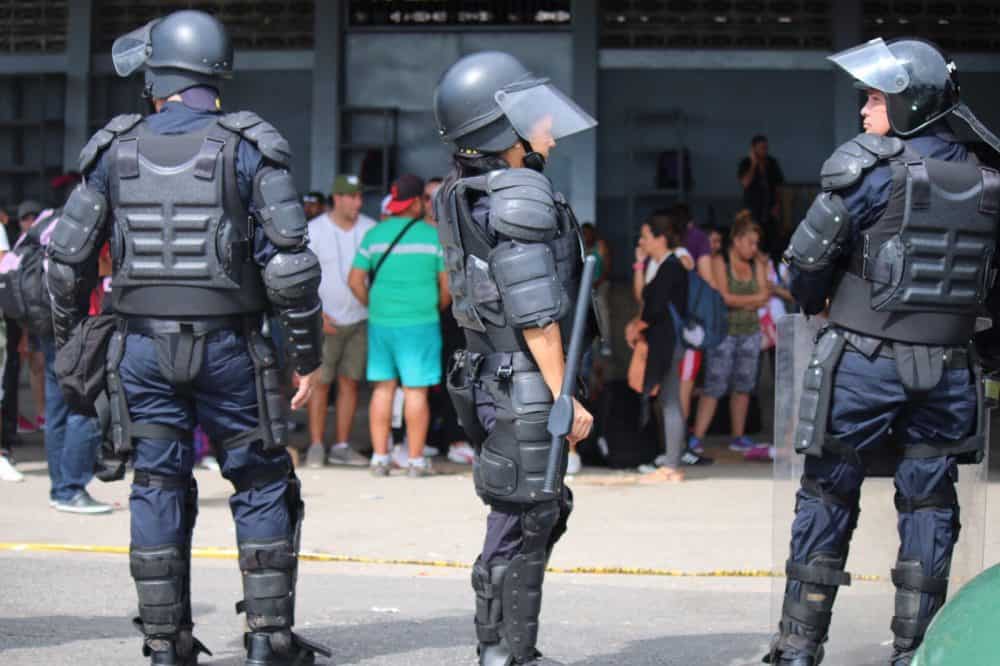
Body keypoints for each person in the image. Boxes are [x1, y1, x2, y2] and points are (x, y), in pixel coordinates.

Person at [47, 11, 329, 664]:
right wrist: (306, 358)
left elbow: (66, 265)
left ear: (156, 74)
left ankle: (164, 644)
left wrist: (71, 346)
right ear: (216, 73)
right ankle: (268, 640)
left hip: (141, 351)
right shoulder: (250, 145)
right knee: (260, 481)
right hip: (232, 349)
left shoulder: (112, 148)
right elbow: (289, 268)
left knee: (157, 483)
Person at [766, 38, 1000, 666]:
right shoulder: (988, 181)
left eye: (875, 96)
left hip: (864, 361)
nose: (866, 108)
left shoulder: (871, 168)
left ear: (908, 103)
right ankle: (915, 652)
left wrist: (823, 302)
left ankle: (798, 648)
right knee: (930, 503)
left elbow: (805, 265)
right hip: (949, 371)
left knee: (827, 494)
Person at [433, 51, 597, 665]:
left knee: (527, 511)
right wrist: (563, 396)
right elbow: (536, 316)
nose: (549, 129)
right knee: (524, 518)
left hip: (490, 375)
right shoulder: (518, 196)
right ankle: (504, 653)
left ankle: (506, 649)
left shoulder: (463, 193)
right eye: (535, 118)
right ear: (498, 132)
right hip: (526, 379)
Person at [348, 173, 450, 478]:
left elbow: (354, 281)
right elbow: (448, 287)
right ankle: (416, 461)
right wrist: (434, 306)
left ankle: (380, 458)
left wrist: (374, 304)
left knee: (383, 389)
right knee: (416, 391)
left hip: (382, 323)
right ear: (418, 202)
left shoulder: (374, 235)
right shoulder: (433, 237)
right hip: (421, 323)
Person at [303, 174, 374, 469]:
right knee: (319, 384)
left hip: (360, 319)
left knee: (350, 382)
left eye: (359, 197)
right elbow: (301, 277)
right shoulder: (314, 230)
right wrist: (315, 314)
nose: (357, 202)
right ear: (337, 198)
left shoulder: (371, 228)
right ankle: (316, 445)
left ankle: (342, 445)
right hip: (325, 319)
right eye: (351, 197)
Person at [688, 211, 768, 455]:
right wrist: (751, 301)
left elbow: (765, 296)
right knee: (715, 384)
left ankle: (739, 435)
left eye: (757, 243)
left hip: (751, 332)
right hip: (725, 332)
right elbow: (723, 297)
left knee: (744, 386)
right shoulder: (720, 262)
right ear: (738, 240)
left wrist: (742, 301)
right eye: (750, 242)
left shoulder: (758, 264)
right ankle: (697, 436)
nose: (754, 248)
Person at [626, 212, 694, 483]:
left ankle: (671, 465)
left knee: (670, 401)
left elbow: (653, 308)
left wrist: (639, 325)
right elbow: (644, 297)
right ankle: (671, 462)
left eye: (645, 236)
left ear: (660, 238)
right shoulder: (664, 265)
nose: (642, 241)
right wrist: (640, 265)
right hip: (666, 341)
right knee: (669, 400)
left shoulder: (672, 266)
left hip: (667, 341)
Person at [423, 176, 476, 465]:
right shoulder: (417, 234)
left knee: (456, 375)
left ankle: (455, 437)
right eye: (427, 198)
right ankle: (425, 438)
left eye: (438, 199)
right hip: (423, 316)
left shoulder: (458, 231)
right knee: (422, 379)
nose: (432, 206)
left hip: (453, 315)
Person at [738, 134, 785, 261]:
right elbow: (745, 182)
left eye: (765, 148)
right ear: (753, 148)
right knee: (754, 239)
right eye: (761, 148)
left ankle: (772, 268)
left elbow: (778, 187)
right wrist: (753, 164)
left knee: (774, 242)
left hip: (770, 210)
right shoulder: (746, 163)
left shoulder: (772, 163)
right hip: (753, 210)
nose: (764, 151)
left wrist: (778, 205)